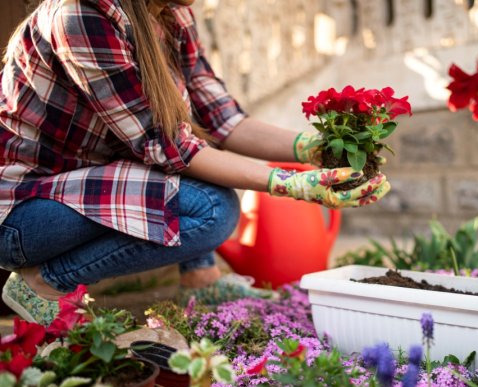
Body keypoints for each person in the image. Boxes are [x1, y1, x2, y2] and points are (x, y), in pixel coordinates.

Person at [0, 0, 390, 325]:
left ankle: (201, 278)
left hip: (78, 186)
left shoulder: (168, 11)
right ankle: (45, 282)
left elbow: (222, 120)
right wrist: (291, 184)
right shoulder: (82, 16)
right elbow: (171, 149)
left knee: (196, 178)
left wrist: (317, 147)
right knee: (213, 209)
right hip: (21, 213)